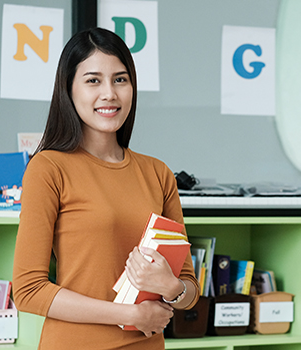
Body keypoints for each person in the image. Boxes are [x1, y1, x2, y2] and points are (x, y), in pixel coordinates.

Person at [12, 27, 199, 349]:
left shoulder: (157, 173)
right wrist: (128, 314)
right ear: (69, 89)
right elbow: (28, 291)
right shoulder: (49, 168)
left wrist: (171, 288)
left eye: (120, 79)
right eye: (93, 80)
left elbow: (189, 290)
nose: (109, 93)